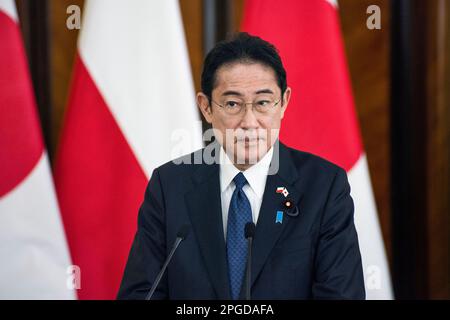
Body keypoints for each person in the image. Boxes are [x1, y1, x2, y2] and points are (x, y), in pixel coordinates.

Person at [117, 32, 365, 300]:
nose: (249, 122)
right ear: (206, 107)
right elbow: (141, 293)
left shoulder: (324, 187)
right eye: (233, 103)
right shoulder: (169, 186)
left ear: (283, 103)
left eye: (262, 103)